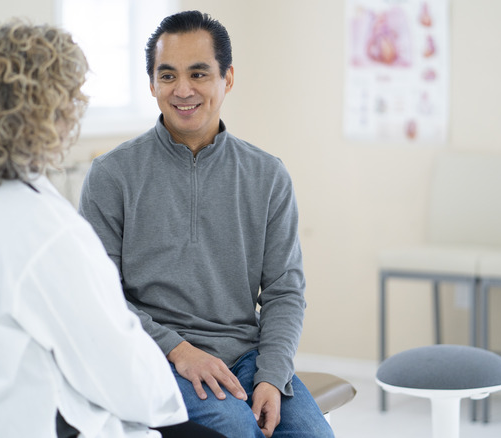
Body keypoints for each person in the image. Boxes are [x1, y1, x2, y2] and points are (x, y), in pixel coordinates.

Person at [0, 19, 224, 438]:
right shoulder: (40, 227)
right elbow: (119, 368)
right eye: (71, 101)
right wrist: (164, 399)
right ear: (47, 113)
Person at [78, 10, 334, 438]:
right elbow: (98, 297)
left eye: (199, 74)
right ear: (152, 83)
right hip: (156, 354)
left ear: (227, 78)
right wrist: (179, 350)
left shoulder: (268, 175)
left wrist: (271, 374)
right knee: (236, 429)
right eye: (167, 76)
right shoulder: (111, 175)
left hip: (246, 356)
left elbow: (284, 292)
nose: (182, 90)